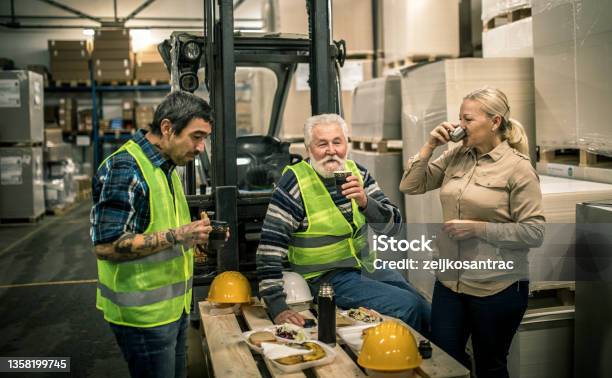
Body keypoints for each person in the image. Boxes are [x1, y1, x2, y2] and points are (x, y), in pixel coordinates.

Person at [400, 87, 545, 377]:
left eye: (468, 119)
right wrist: (429, 146)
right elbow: (411, 186)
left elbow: (534, 232)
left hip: (496, 287)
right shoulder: (457, 155)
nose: (459, 126)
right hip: (450, 282)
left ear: (494, 122)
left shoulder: (518, 169)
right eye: (459, 119)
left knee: (490, 365)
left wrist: (479, 229)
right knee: (443, 361)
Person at [256, 113, 430, 334]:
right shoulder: (294, 184)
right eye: (322, 144)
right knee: (408, 306)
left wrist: (365, 202)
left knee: (424, 306)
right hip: (324, 277)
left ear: (346, 145)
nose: (331, 150)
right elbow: (269, 248)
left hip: (364, 266)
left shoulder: (358, 174)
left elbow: (393, 229)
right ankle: (407, 362)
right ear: (309, 149)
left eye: (337, 142)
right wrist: (276, 305)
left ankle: (447, 365)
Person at [90, 91, 214, 378]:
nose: (201, 148)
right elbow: (107, 246)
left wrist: (195, 236)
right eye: (196, 137)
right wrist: (178, 235)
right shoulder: (125, 168)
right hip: (143, 317)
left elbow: (159, 226)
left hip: (173, 309)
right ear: (168, 128)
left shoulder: (167, 167)